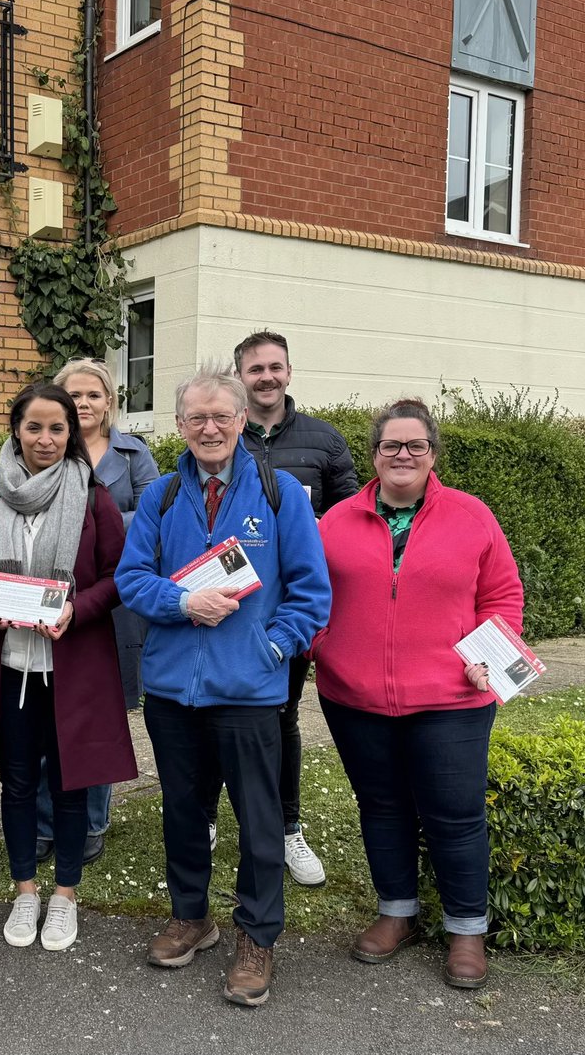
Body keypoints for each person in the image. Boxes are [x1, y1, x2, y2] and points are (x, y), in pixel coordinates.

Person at [115, 363, 330, 1007]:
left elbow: (310, 592)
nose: (208, 428)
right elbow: (131, 579)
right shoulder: (160, 497)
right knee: (183, 810)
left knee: (259, 818)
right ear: (180, 425)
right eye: (196, 417)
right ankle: (191, 916)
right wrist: (184, 602)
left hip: (248, 689)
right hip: (172, 690)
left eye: (220, 416)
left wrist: (273, 647)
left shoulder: (279, 493)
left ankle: (256, 937)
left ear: (241, 421)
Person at [313, 398, 523, 990]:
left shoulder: (472, 516)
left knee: (455, 815)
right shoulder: (336, 521)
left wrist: (490, 656)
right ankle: (396, 913)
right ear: (374, 454)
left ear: (433, 453)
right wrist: (323, 644)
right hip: (354, 697)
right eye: (391, 445)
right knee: (381, 807)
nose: (402, 455)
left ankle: (466, 929)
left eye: (415, 445)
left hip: (451, 698)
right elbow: (309, 592)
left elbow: (501, 595)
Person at [0, 383, 137, 952]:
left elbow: (118, 578)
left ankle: (64, 896)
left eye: (58, 428)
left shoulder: (94, 499)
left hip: (73, 666)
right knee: (16, 783)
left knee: (70, 782)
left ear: (71, 433)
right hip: (10, 665)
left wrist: (74, 609)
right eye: (34, 427)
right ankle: (25, 891)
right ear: (16, 430)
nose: (45, 439)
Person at [221, 329, 358, 887]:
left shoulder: (324, 441)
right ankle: (207, 818)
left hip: (290, 613)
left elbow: (356, 521)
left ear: (289, 372)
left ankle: (287, 828)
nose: (267, 377)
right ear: (240, 377)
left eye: (275, 367)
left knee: (283, 715)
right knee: (212, 714)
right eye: (255, 369)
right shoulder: (221, 434)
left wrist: (311, 529)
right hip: (224, 604)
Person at [29, 359, 159, 867]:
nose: (83, 404)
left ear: (110, 402)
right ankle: (44, 823)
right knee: (45, 716)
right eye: (74, 395)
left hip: (112, 600)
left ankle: (91, 822)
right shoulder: (47, 448)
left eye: (93, 395)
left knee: (98, 717)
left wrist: (93, 522)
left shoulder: (133, 454)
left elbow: (155, 517)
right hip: (47, 600)